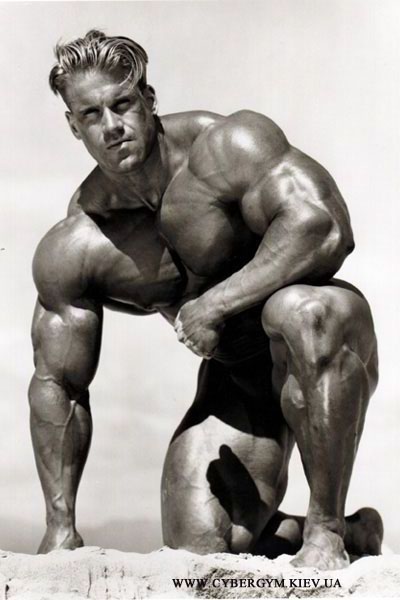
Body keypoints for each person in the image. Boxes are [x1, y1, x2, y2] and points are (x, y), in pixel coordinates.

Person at [29, 30, 383, 569]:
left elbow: (324, 226)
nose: (112, 125)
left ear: (148, 99)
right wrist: (60, 527)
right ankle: (354, 532)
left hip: (318, 340)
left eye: (122, 104)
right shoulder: (83, 238)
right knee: (200, 547)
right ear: (73, 125)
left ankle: (327, 531)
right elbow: (59, 382)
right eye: (91, 114)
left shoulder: (227, 148)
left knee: (301, 310)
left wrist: (215, 305)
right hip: (239, 381)